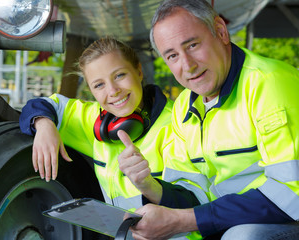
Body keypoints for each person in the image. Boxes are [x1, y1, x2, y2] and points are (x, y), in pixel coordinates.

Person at [117, 0, 299, 239]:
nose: (188, 66)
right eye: (172, 56)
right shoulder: (183, 106)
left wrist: (182, 220)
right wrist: (148, 185)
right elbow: (194, 194)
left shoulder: (269, 83)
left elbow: (291, 193)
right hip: (227, 222)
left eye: (192, 45)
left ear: (221, 32)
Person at [19, 36, 175, 212]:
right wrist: (44, 125)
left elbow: (192, 202)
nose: (113, 91)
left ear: (139, 71)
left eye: (119, 75)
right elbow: (41, 105)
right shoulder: (93, 119)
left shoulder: (177, 124)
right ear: (91, 90)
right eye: (99, 85)